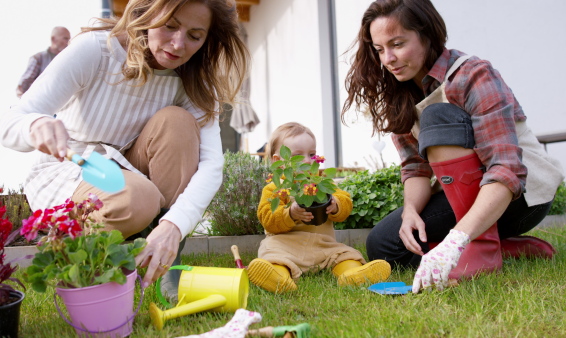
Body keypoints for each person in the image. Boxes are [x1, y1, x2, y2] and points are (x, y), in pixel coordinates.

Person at [0, 0, 250, 295]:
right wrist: (34, 126)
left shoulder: (194, 79)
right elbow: (11, 120)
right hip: (72, 171)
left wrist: (174, 225)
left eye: (194, 36)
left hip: (132, 169)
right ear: (147, 13)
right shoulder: (96, 50)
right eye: (169, 26)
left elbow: (211, 166)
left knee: (178, 123)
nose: (178, 44)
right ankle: (93, 265)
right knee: (138, 197)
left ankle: (163, 262)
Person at [342, 0, 564, 293]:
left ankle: (479, 247)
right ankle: (507, 247)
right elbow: (415, 168)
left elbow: (506, 170)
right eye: (380, 49)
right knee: (384, 245)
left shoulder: (472, 75)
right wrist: (410, 211)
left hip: (518, 198)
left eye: (397, 44)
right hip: (464, 194)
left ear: (427, 35)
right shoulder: (401, 93)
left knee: (437, 115)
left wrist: (455, 240)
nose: (389, 58)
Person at [247, 122, 391, 294]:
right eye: (298, 156)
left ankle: (351, 274)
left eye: (312, 154)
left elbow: (345, 201)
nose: (308, 160)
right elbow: (268, 220)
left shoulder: (321, 183)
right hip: (285, 245)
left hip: (323, 246)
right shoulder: (274, 189)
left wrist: (336, 205)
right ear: (279, 161)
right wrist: (290, 213)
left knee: (344, 254)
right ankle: (279, 278)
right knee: (273, 254)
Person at [16, 26, 71, 98]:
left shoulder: (67, 60)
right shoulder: (39, 58)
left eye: (69, 39)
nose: (68, 42)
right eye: (65, 38)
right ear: (53, 39)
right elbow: (23, 86)